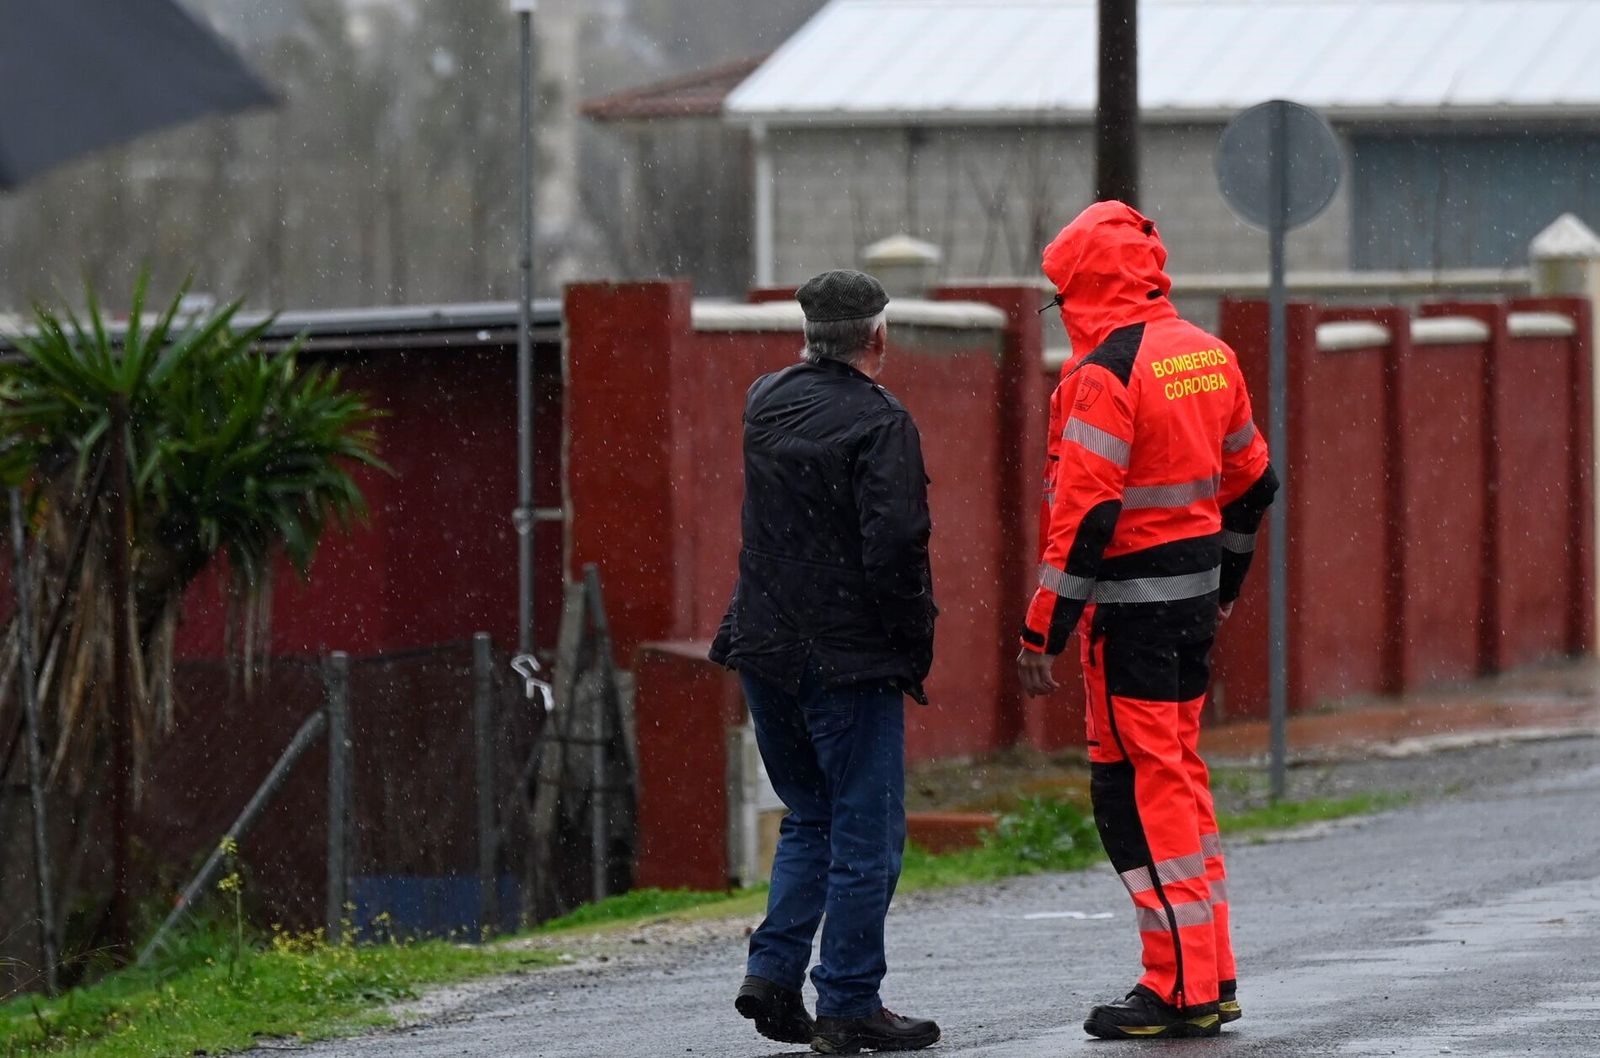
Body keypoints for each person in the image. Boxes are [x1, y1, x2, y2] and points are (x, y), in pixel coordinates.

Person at [1016, 202, 1278, 1040]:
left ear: (1085, 286)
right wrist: (1228, 581)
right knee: (1181, 782)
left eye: (1063, 295)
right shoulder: (1209, 355)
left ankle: (1178, 989)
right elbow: (1254, 485)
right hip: (1193, 609)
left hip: (1128, 620)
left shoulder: (1104, 373)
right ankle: (1209, 973)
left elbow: (1086, 516)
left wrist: (1041, 630)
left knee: (1137, 790)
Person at [711, 269, 941, 1054]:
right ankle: (848, 1003)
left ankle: (773, 975)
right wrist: (911, 645)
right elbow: (898, 545)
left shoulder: (764, 399)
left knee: (808, 815)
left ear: (809, 334)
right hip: (846, 660)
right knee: (866, 832)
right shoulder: (883, 423)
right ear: (879, 337)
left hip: (765, 646)